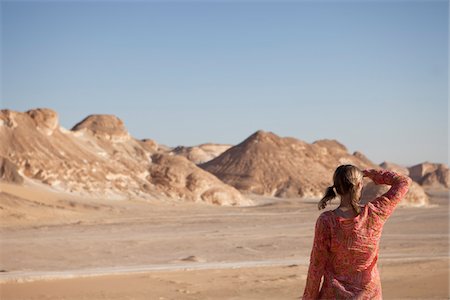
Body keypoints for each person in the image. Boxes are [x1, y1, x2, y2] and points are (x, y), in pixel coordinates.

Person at [302, 164, 412, 299]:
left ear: (336, 188)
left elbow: (316, 267)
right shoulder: (375, 212)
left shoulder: (326, 221)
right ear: (360, 185)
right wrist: (370, 173)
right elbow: (404, 182)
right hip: (369, 295)